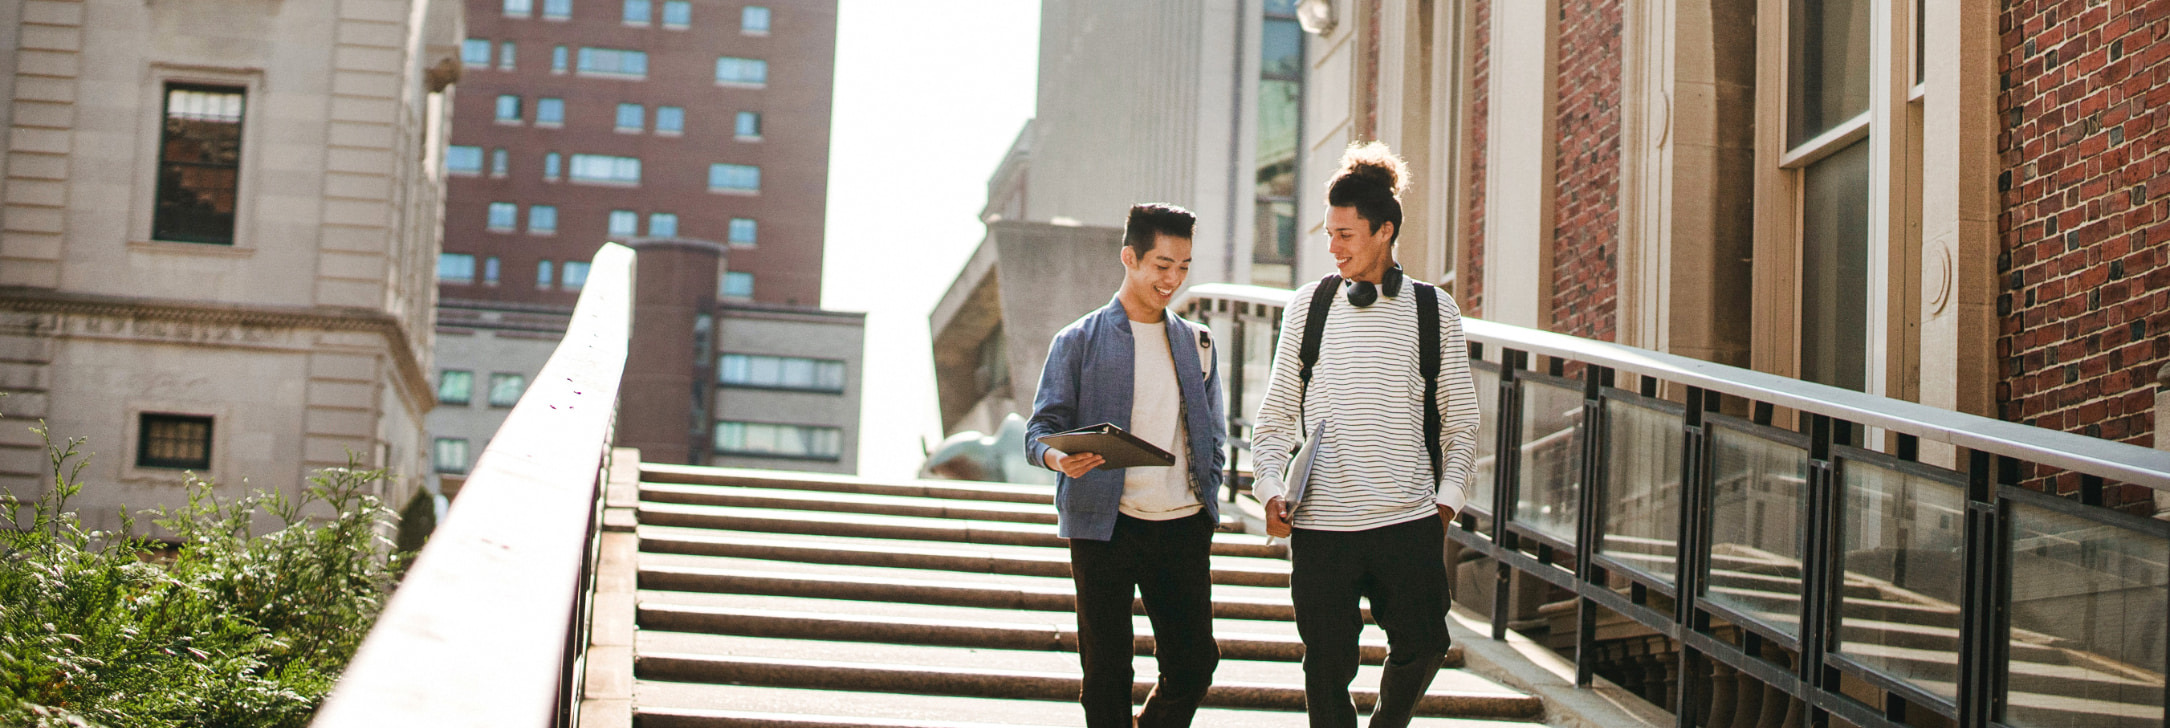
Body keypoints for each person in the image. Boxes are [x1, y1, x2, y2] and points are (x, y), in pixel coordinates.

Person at [1250, 143, 1481, 728]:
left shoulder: (1435, 310)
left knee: (1426, 643)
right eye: (1329, 234)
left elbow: (1461, 420)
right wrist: (1270, 488)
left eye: (1346, 235)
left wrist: (1446, 505)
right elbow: (1277, 413)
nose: (1333, 248)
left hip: (1407, 519)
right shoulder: (1311, 305)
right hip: (1323, 524)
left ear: (1385, 230)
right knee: (1326, 667)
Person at [1025, 202, 1227, 728]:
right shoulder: (1077, 341)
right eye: (1162, 265)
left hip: (1181, 525)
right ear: (1129, 258)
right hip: (1103, 526)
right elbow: (1039, 429)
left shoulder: (1197, 342)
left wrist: (1210, 498)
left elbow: (1214, 433)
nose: (1174, 279)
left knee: (1194, 665)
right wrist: (1056, 458)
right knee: (1107, 673)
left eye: (1183, 266)